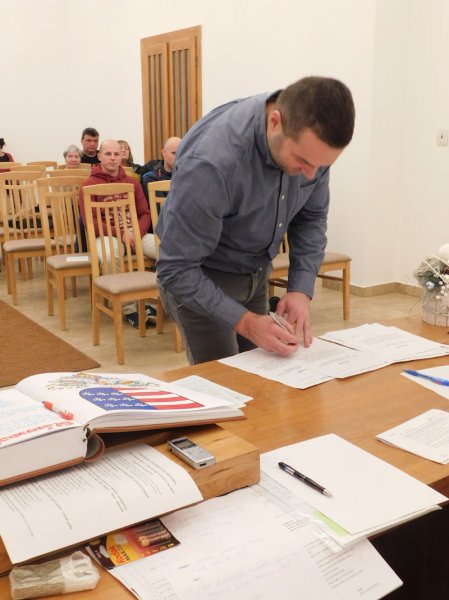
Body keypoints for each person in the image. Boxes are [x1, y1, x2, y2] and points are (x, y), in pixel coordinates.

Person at [156, 76, 355, 365]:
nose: (312, 175)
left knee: (262, 370)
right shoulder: (211, 163)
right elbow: (176, 270)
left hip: (256, 270)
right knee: (224, 380)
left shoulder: (308, 146)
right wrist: (246, 322)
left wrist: (300, 290)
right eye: (303, 161)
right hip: (201, 278)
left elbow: (311, 218)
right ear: (275, 123)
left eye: (322, 166)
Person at [79, 139, 157, 327]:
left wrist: (137, 233)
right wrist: (120, 233)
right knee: (109, 254)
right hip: (106, 235)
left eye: (116, 154)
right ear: (99, 157)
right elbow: (90, 221)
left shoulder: (132, 182)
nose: (113, 158)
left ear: (122, 157)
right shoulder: (88, 185)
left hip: (134, 233)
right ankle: (129, 307)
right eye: (108, 154)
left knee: (166, 249)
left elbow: (144, 213)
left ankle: (157, 300)